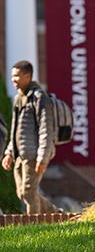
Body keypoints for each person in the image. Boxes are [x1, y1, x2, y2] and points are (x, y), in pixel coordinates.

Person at [1, 60, 57, 214]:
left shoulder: (40, 98)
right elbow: (15, 130)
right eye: (12, 76)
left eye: (17, 76)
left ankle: (34, 227)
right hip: (20, 154)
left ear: (27, 76)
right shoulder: (19, 99)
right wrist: (9, 153)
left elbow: (47, 129)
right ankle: (57, 214)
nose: (13, 79)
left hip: (34, 154)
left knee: (28, 193)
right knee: (22, 193)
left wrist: (42, 158)